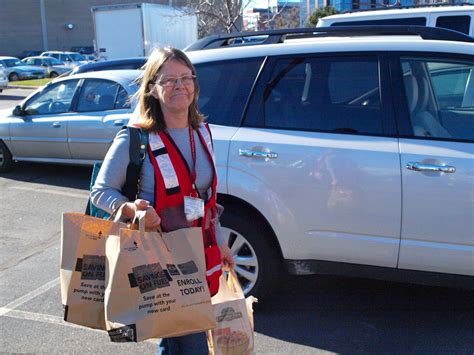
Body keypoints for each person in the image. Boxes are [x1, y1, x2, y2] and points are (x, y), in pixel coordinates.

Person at [91, 47, 234, 354]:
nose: (179, 85)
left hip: (201, 254)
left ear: (195, 85)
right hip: (160, 259)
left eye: (186, 77)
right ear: (153, 89)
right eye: (168, 80)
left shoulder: (203, 131)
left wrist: (221, 242)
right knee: (193, 343)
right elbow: (100, 192)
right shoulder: (136, 138)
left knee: (173, 341)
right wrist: (131, 208)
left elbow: (206, 200)